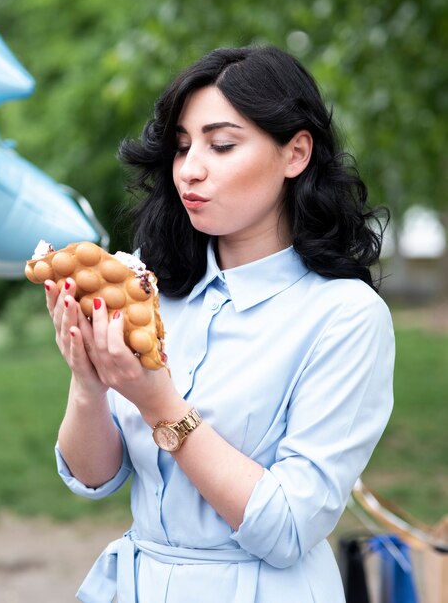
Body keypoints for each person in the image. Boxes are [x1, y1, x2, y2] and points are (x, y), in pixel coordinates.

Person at [44, 45, 395, 603]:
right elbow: (94, 478)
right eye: (182, 147)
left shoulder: (345, 316)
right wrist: (88, 379)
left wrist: (159, 403)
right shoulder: (151, 291)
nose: (190, 169)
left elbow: (287, 528)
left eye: (222, 144)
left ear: (295, 153)